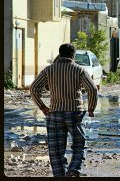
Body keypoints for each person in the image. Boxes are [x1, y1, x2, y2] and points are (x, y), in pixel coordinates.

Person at [30, 43, 98, 177]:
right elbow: (92, 89)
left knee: (56, 151)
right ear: (73, 55)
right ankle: (73, 169)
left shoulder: (48, 70)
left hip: (54, 114)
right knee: (79, 145)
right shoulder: (79, 69)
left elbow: (33, 89)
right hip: (75, 113)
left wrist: (42, 107)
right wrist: (91, 108)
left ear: (59, 54)